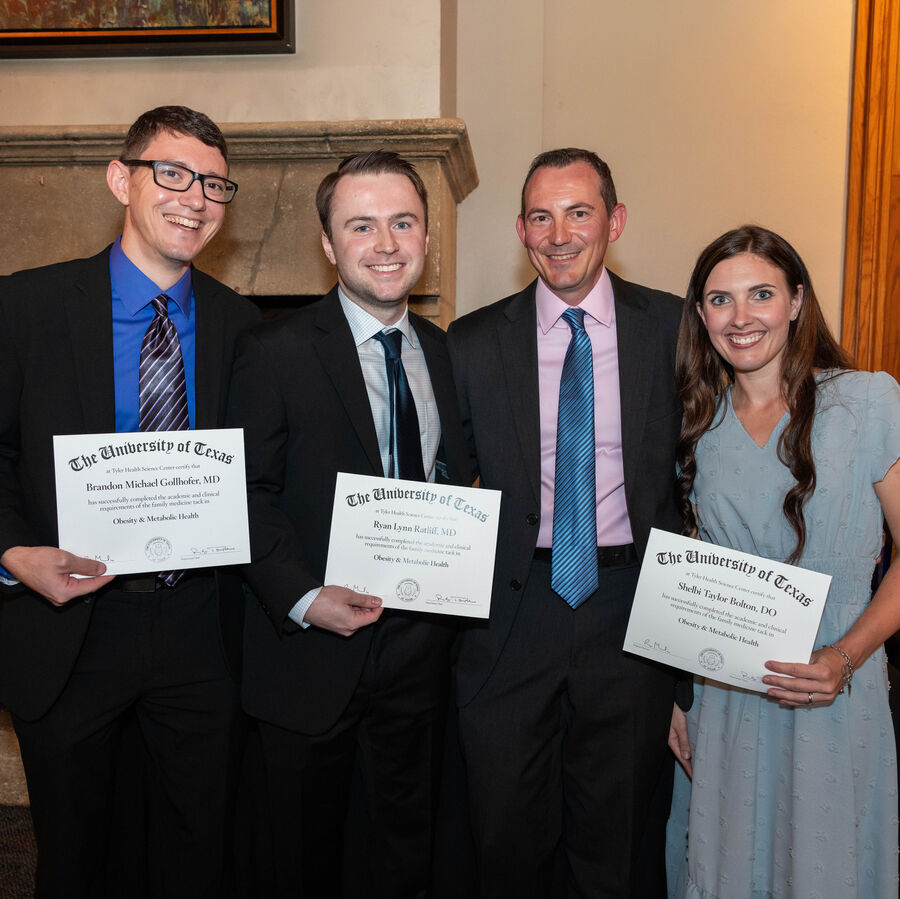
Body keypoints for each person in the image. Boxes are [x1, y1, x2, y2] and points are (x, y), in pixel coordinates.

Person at [0, 106, 259, 897]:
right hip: (70, 626)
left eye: (214, 183)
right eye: (172, 173)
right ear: (121, 179)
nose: (196, 197)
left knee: (197, 853)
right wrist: (14, 553)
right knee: (77, 857)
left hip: (201, 633)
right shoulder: (24, 308)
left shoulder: (245, 327)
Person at [228, 150, 471, 899]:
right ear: (329, 246)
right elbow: (244, 493)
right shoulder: (272, 352)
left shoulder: (448, 353)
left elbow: (459, 487)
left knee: (402, 857)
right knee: (300, 862)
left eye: (403, 222)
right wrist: (304, 596)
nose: (387, 243)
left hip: (419, 658)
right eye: (361, 226)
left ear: (428, 236)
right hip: (308, 660)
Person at [446, 147, 686, 898]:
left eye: (578, 212)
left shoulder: (676, 330)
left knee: (617, 840)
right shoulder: (472, 341)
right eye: (541, 216)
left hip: (630, 611)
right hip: (510, 615)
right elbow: (444, 481)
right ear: (521, 230)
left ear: (613, 221)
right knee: (504, 836)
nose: (560, 233)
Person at [666, 225, 900, 898]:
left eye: (760, 294)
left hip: (834, 687)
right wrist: (676, 699)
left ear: (796, 300)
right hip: (726, 698)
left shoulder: (866, 402)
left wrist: (846, 656)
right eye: (719, 300)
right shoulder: (694, 425)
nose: (740, 317)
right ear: (700, 314)